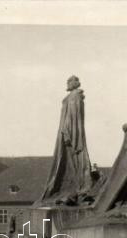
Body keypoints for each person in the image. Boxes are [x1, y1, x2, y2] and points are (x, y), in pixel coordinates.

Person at [41, 75, 97, 206]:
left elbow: (72, 117)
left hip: (70, 134)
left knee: (73, 161)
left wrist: (67, 133)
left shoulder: (74, 97)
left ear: (74, 83)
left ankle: (80, 189)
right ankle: (77, 190)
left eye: (69, 81)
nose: (67, 83)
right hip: (70, 133)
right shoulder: (73, 97)